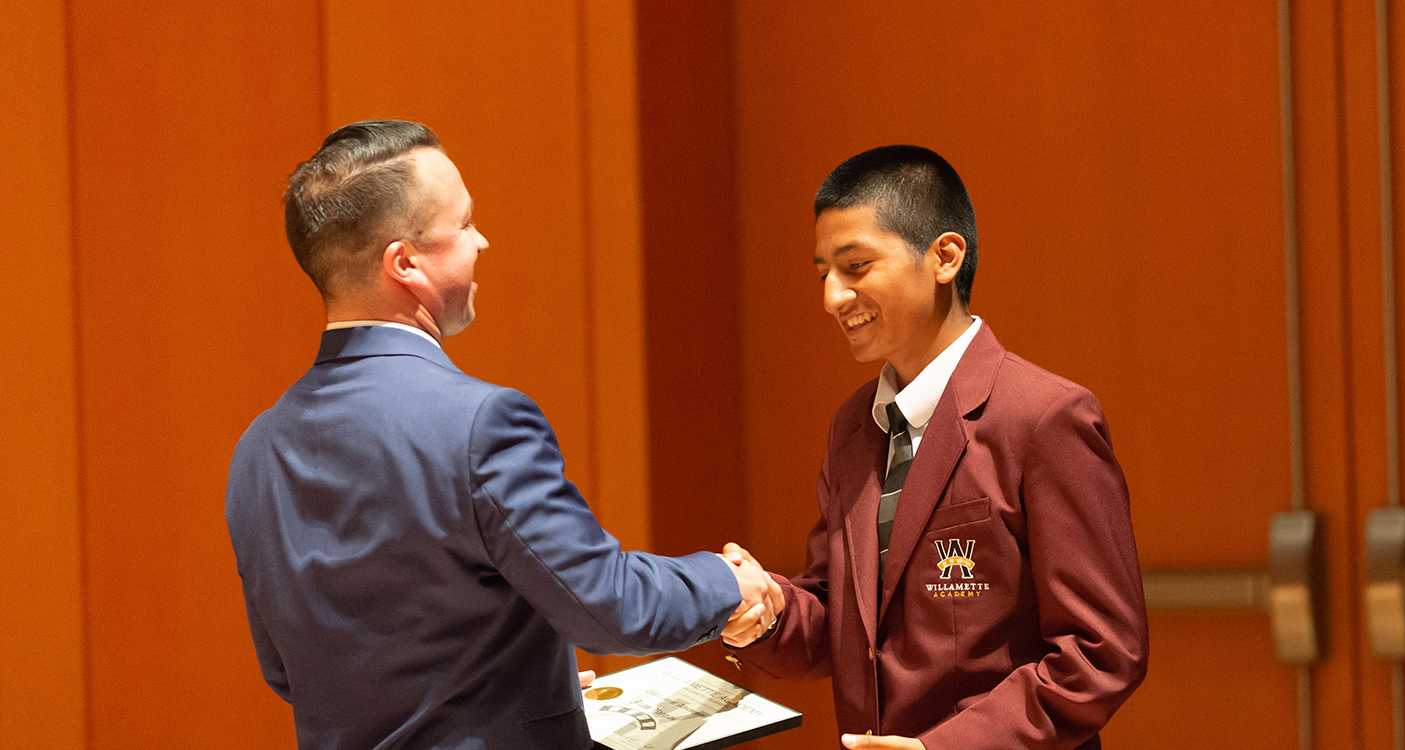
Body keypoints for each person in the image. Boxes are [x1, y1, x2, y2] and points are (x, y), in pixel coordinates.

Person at [225, 120, 777, 750]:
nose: (482, 241)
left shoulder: (257, 449)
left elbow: (289, 671)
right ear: (404, 263)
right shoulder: (480, 423)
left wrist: (522, 681)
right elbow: (609, 607)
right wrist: (724, 582)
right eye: (463, 225)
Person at [721, 145, 1149, 749]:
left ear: (944, 257)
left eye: (856, 266)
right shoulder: (854, 427)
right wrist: (766, 610)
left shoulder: (1044, 416)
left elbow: (1102, 652)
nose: (832, 298)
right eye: (823, 274)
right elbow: (836, 624)